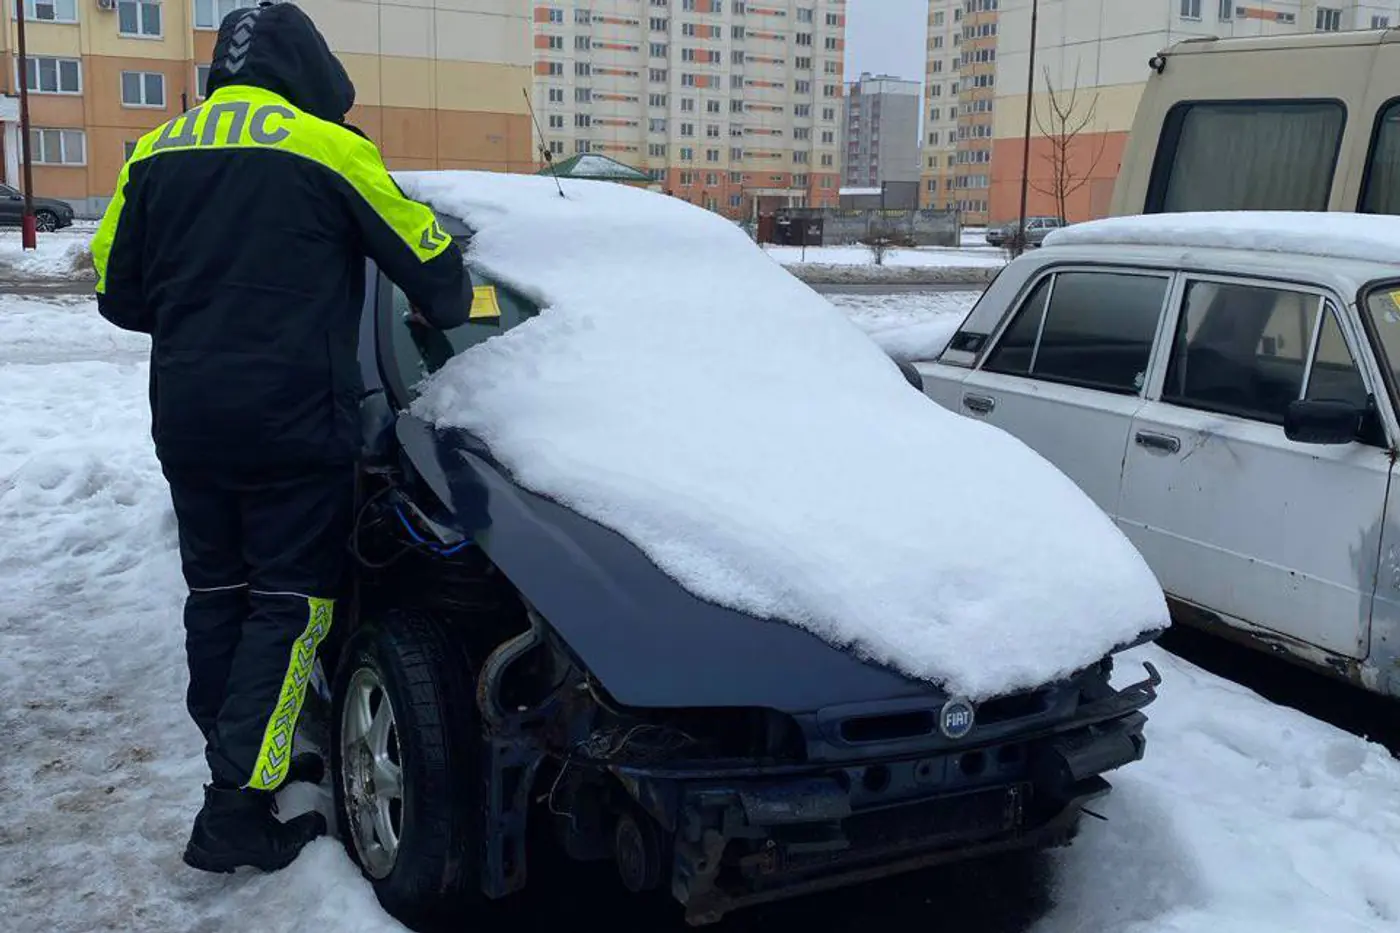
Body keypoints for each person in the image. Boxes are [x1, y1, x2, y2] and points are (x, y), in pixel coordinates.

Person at [90, 0, 469, 874]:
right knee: (292, 606)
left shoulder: (157, 149)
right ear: (313, 73)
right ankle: (234, 808)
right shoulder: (328, 146)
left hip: (189, 422)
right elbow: (440, 277)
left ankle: (234, 755)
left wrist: (206, 307)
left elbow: (116, 290)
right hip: (295, 425)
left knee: (217, 593)